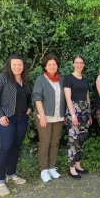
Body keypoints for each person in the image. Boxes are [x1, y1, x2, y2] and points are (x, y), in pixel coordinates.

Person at [0, 54, 31, 196]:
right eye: (14, 65)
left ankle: (11, 174)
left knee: (15, 147)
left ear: (23, 66)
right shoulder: (3, 78)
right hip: (6, 118)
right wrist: (0, 115)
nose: (17, 67)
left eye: (20, 65)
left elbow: (29, 96)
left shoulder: (25, 81)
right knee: (5, 147)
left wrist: (30, 107)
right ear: (10, 65)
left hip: (22, 119)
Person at [32, 54, 65, 182]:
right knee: (45, 142)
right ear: (45, 66)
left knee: (55, 142)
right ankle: (44, 170)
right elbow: (37, 98)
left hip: (58, 117)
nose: (52, 66)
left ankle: (52, 168)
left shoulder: (61, 80)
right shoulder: (41, 79)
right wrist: (42, 117)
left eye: (55, 64)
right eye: (50, 64)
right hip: (44, 116)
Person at [64, 55, 92, 179]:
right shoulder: (68, 78)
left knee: (81, 139)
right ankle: (71, 168)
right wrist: (73, 114)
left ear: (84, 64)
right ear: (73, 64)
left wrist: (89, 114)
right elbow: (68, 98)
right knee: (73, 139)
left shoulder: (85, 80)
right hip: (73, 111)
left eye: (81, 63)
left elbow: (87, 97)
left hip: (85, 111)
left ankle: (78, 165)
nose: (79, 65)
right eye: (77, 62)